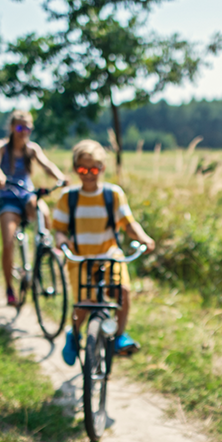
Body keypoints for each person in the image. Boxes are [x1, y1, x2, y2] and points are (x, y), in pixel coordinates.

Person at [52, 139, 155, 366]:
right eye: (82, 169)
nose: (89, 174)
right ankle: (75, 333)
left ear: (102, 168)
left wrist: (144, 238)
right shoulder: (68, 197)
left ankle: (119, 336)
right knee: (84, 302)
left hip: (110, 256)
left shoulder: (113, 194)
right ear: (76, 168)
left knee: (123, 293)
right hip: (80, 259)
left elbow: (128, 224)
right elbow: (58, 229)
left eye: (94, 169)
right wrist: (61, 243)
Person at [0, 110, 69, 306]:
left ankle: (46, 247)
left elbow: (47, 164)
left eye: (27, 128)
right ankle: (9, 288)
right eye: (19, 127)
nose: (23, 131)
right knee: (8, 243)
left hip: (26, 194)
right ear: (11, 128)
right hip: (8, 197)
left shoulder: (32, 149)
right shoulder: (2, 147)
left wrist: (60, 177)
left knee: (41, 208)